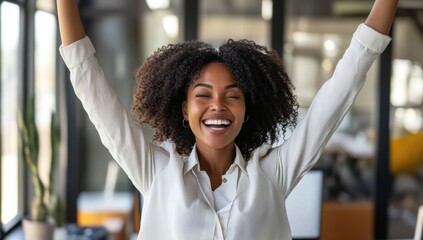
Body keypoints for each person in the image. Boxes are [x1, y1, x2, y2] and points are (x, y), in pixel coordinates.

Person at [57, 0, 398, 239]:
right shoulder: (157, 171)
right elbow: (91, 87)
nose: (217, 106)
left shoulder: (272, 174)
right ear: (183, 110)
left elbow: (340, 90)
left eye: (232, 95)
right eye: (203, 95)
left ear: (247, 110)